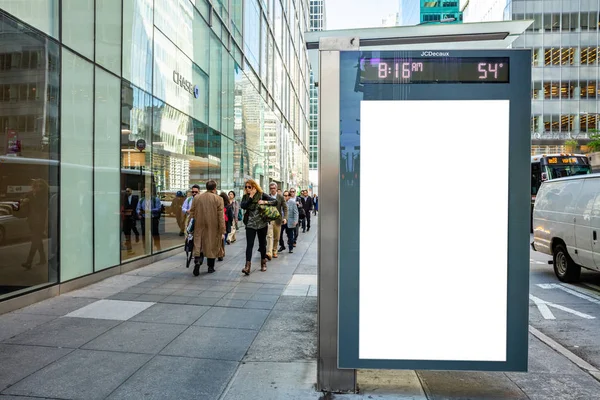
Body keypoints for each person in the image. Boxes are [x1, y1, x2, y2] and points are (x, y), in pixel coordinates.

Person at [240, 179, 276, 274]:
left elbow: (275, 201)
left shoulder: (262, 195)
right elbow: (243, 206)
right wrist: (250, 197)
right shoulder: (246, 197)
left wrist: (264, 202)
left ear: (254, 187)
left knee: (262, 244)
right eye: (246, 187)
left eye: (249, 187)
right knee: (249, 245)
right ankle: (247, 266)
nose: (247, 189)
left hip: (262, 224)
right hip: (250, 224)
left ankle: (263, 263)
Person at [190, 180, 225, 275]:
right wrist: (222, 230)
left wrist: (191, 225)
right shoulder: (218, 199)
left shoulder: (197, 198)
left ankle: (198, 261)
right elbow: (220, 216)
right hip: (213, 226)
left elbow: (191, 212)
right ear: (214, 188)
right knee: (211, 246)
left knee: (199, 245)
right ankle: (210, 267)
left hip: (199, 225)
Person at [21, 179, 49, 269]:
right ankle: (43, 259)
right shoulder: (29, 194)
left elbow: (41, 207)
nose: (38, 188)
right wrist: (24, 200)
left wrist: (32, 197)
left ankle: (29, 262)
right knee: (38, 241)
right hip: (31, 221)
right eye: (36, 185)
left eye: (41, 186)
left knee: (35, 241)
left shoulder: (44, 196)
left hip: (40, 223)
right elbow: (19, 204)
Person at [266, 182, 287, 259]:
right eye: (271, 188)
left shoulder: (280, 197)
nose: (272, 190)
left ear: (276, 188)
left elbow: (285, 208)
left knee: (276, 237)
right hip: (269, 220)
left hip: (278, 220)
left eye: (274, 188)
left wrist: (285, 218)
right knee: (269, 236)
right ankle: (269, 252)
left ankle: (275, 250)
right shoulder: (267, 196)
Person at [122, 187, 140, 254]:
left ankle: (136, 234)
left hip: (131, 216)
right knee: (126, 231)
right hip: (125, 218)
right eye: (126, 191)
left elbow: (136, 207)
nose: (127, 192)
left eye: (128, 191)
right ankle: (128, 247)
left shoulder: (135, 198)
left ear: (131, 191)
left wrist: (135, 215)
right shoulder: (124, 199)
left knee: (133, 227)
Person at [218, 191, 233, 261]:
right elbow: (231, 216)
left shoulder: (218, 206)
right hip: (226, 225)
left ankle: (219, 252)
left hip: (219, 225)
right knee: (224, 239)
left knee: (219, 239)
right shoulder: (229, 206)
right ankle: (221, 252)